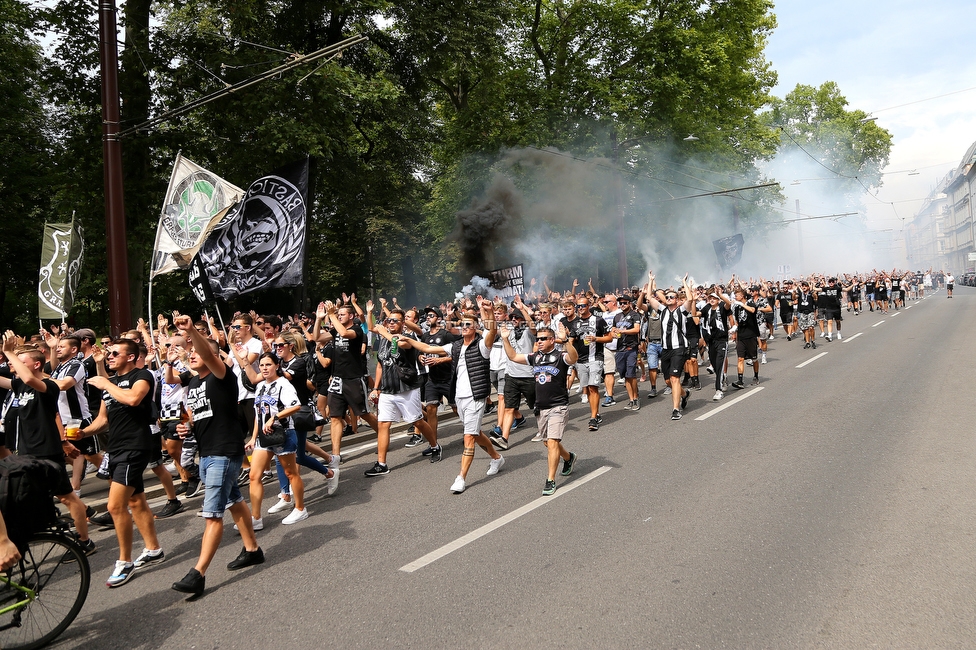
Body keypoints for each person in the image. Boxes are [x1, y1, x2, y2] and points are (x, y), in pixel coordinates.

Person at [167, 315, 264, 597]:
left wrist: (190, 333)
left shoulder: (222, 377)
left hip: (224, 451)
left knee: (212, 515)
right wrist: (189, 427)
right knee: (234, 499)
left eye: (197, 352)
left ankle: (198, 573)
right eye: (191, 354)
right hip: (207, 452)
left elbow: (209, 353)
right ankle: (252, 550)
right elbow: (202, 415)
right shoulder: (195, 383)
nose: (193, 356)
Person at [0, 335, 95, 556]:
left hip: (46, 452)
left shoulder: (48, 385)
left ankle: (84, 541)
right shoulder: (19, 385)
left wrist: (9, 352)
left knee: (67, 497)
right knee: (22, 499)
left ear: (36, 364)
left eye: (20, 363)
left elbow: (33, 382)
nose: (14, 367)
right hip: (25, 454)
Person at [82, 338, 162, 587]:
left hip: (135, 446)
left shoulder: (143, 375)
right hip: (115, 448)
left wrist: (105, 382)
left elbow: (133, 400)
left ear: (130, 356)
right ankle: (153, 549)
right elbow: (103, 420)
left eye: (115, 353)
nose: (110, 356)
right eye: (109, 353)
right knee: (136, 500)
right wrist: (81, 433)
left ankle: (125, 562)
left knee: (115, 507)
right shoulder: (112, 383)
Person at [430, 299, 504, 494]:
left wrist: (486, 311)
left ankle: (461, 477)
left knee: (469, 437)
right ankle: (497, 458)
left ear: (476, 327)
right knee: (476, 432)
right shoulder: (456, 346)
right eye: (461, 324)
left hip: (476, 396)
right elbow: (429, 349)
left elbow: (492, 331)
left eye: (468, 324)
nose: (463, 327)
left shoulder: (482, 345)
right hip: (459, 397)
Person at [501, 323, 578, 496]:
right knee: (548, 443)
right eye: (538, 339)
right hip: (541, 408)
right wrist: (505, 339)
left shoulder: (561, 356)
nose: (540, 341)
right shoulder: (535, 357)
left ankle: (550, 480)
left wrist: (565, 340)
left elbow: (574, 358)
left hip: (558, 406)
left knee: (552, 443)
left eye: (543, 339)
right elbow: (513, 356)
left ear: (552, 340)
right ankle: (568, 457)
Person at [365, 307, 441, 474]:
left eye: (395, 321)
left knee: (417, 421)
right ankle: (381, 464)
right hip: (387, 389)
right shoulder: (383, 339)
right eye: (389, 320)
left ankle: (435, 446)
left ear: (402, 324)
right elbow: (380, 364)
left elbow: (399, 343)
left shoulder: (406, 338)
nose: (390, 323)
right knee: (383, 424)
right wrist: (369, 313)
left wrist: (383, 330)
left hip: (406, 388)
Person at [245, 353, 309, 527]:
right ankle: (256, 518)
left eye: (268, 365)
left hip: (283, 433)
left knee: (291, 473)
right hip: (263, 437)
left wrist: (275, 418)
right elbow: (259, 415)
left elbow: (295, 406)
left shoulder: (283, 384)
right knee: (254, 475)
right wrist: (253, 437)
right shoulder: (259, 387)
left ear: (276, 365)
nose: (265, 368)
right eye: (262, 365)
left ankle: (300, 508)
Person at [643, 273, 694, 420]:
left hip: (679, 348)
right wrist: (651, 281)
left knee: (674, 378)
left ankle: (676, 409)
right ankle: (685, 394)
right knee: (667, 381)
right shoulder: (662, 311)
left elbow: (690, 299)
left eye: (672, 297)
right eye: (668, 297)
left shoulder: (682, 311)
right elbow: (649, 298)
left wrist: (684, 283)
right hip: (666, 349)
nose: (669, 299)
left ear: (677, 300)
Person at [567, 296, 611, 431]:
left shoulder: (598, 320)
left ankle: (593, 418)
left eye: (583, 306)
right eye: (578, 306)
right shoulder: (575, 323)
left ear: (588, 306)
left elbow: (609, 337)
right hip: (581, 360)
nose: (580, 308)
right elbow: (571, 341)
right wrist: (564, 341)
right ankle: (596, 413)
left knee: (593, 387)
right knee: (587, 389)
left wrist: (595, 338)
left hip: (595, 358)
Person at [699, 288, 733, 401]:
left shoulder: (723, 306)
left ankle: (718, 390)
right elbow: (696, 314)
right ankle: (722, 378)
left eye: (714, 298)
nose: (712, 300)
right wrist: (693, 301)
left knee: (719, 364)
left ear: (718, 299)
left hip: (722, 340)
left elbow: (729, 303)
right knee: (713, 363)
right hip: (711, 341)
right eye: (710, 298)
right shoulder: (707, 308)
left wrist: (720, 295)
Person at [610, 294, 642, 410]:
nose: (622, 305)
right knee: (624, 376)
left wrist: (623, 331)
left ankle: (636, 397)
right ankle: (631, 399)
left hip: (631, 348)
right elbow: (613, 329)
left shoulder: (635, 315)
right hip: (620, 349)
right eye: (621, 303)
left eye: (625, 303)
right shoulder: (617, 316)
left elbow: (636, 329)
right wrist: (614, 331)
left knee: (631, 375)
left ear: (629, 303)